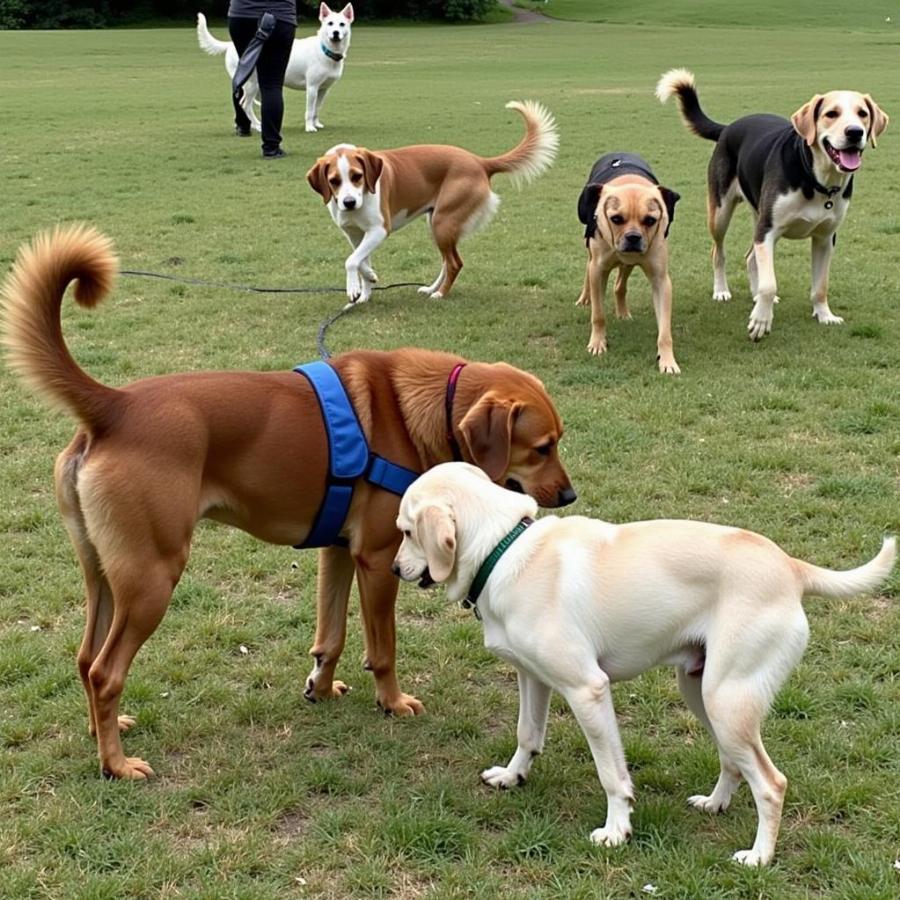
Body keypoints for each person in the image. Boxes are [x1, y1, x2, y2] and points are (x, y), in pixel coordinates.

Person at [228, 1, 297, 158]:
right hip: (280, 16)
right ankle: (271, 147)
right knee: (271, 84)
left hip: (242, 15)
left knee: (246, 71)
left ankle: (242, 123)